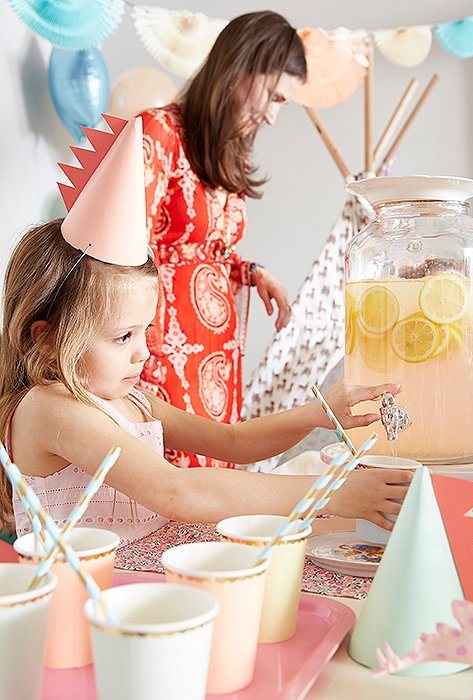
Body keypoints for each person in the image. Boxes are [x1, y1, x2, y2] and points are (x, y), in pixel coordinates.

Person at [0, 219, 412, 545]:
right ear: (48, 339)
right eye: (123, 336)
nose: (143, 353)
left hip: (140, 579)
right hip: (86, 598)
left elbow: (232, 442)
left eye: (145, 330)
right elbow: (175, 491)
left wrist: (315, 416)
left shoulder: (134, 403)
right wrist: (332, 492)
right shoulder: (50, 408)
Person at [139, 10, 307, 468]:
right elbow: (124, 248)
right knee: (169, 483)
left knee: (214, 476)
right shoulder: (159, 131)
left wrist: (249, 271)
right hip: (162, 346)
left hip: (216, 355)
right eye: (273, 96)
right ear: (240, 67)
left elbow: (206, 248)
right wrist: (137, 347)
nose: (272, 117)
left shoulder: (222, 154)